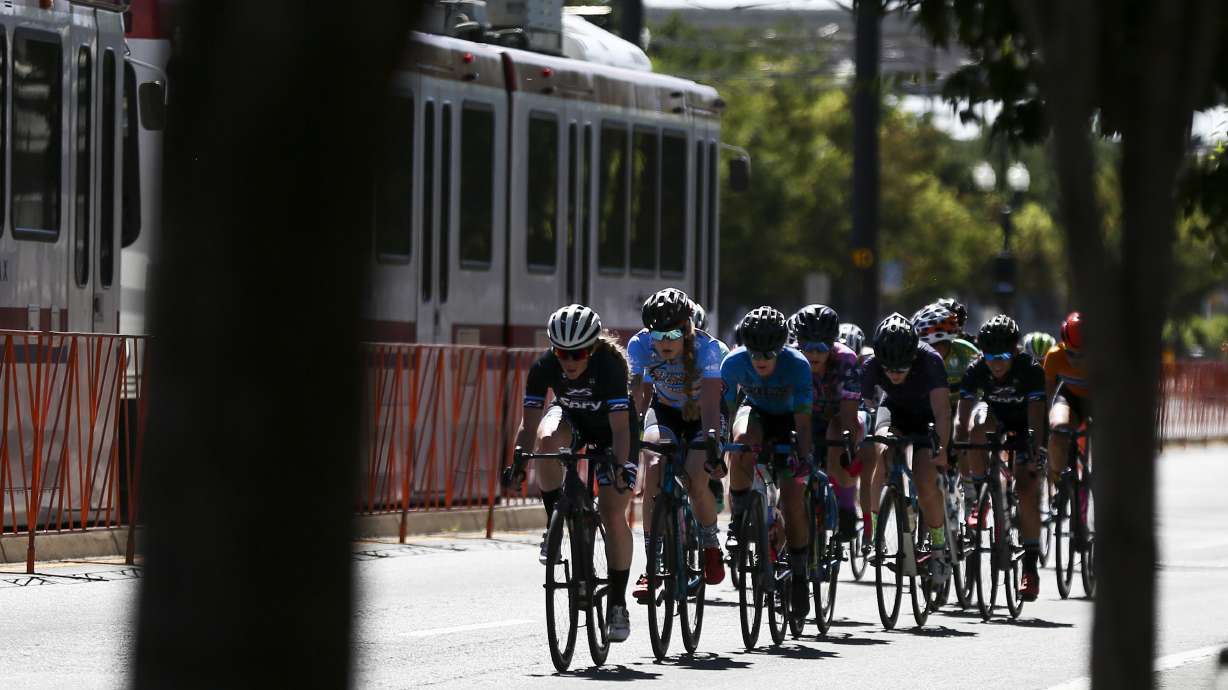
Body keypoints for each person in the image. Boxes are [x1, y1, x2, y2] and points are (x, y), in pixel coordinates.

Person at [510, 304, 638, 643]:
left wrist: (622, 467)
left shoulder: (608, 367)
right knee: (547, 440)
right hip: (572, 422)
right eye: (562, 352)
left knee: (612, 514)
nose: (569, 361)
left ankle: (618, 604)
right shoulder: (543, 367)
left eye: (578, 353)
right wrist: (518, 461)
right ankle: (557, 520)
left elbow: (621, 429)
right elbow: (529, 423)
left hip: (614, 431)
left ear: (592, 348)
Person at [628, 289, 728, 604]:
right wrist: (633, 433)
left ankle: (710, 543)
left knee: (697, 479)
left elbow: (712, 402)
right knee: (654, 469)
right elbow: (640, 398)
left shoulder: (710, 350)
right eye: (658, 334)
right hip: (666, 411)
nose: (665, 341)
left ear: (686, 328)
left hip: (703, 415)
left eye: (673, 333)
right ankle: (652, 565)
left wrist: (713, 442)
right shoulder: (640, 346)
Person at [721, 306, 815, 618]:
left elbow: (803, 421)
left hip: (789, 420)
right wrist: (719, 448)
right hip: (756, 413)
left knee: (791, 499)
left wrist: (804, 455)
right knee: (741, 443)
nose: (760, 361)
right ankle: (738, 520)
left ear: (781, 349)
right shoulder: (733, 363)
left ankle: (800, 573)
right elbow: (728, 412)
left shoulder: (798, 365)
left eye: (768, 355)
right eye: (754, 354)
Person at [956, 315, 1047, 601]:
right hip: (995, 420)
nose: (996, 363)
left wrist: (1034, 453)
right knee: (975, 427)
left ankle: (1030, 568)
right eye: (990, 356)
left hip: (1024, 426)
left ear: (1016, 351)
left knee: (1027, 488)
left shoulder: (1030, 370)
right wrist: (957, 446)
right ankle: (982, 492)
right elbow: (962, 417)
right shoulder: (976, 370)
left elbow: (1036, 421)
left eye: (1003, 356)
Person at [858, 313, 952, 577]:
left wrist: (942, 449)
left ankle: (938, 548)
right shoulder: (871, 366)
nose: (894, 374)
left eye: (901, 369)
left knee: (925, 479)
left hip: (927, 418)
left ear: (913, 357)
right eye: (888, 368)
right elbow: (862, 409)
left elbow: (943, 412)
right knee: (883, 451)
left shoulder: (930, 361)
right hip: (894, 412)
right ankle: (875, 535)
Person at [791, 305, 864, 541]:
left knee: (836, 435)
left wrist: (848, 450)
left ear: (833, 344)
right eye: (808, 346)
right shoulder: (789, 359)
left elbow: (849, 416)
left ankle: (846, 508)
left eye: (822, 347)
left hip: (838, 415)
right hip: (803, 418)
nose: (814, 353)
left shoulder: (846, 360)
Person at [912, 302, 981, 512]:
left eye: (939, 346)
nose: (933, 352)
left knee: (962, 430)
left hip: (960, 402)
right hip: (934, 406)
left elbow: (980, 388)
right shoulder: (918, 356)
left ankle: (969, 487)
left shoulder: (966, 352)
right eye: (927, 346)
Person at [1044, 312, 1090, 487]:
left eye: (1082, 355)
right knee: (1057, 431)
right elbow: (1049, 393)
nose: (1075, 361)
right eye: (1071, 354)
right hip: (1069, 398)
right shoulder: (1054, 356)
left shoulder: (1104, 358)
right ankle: (1057, 481)